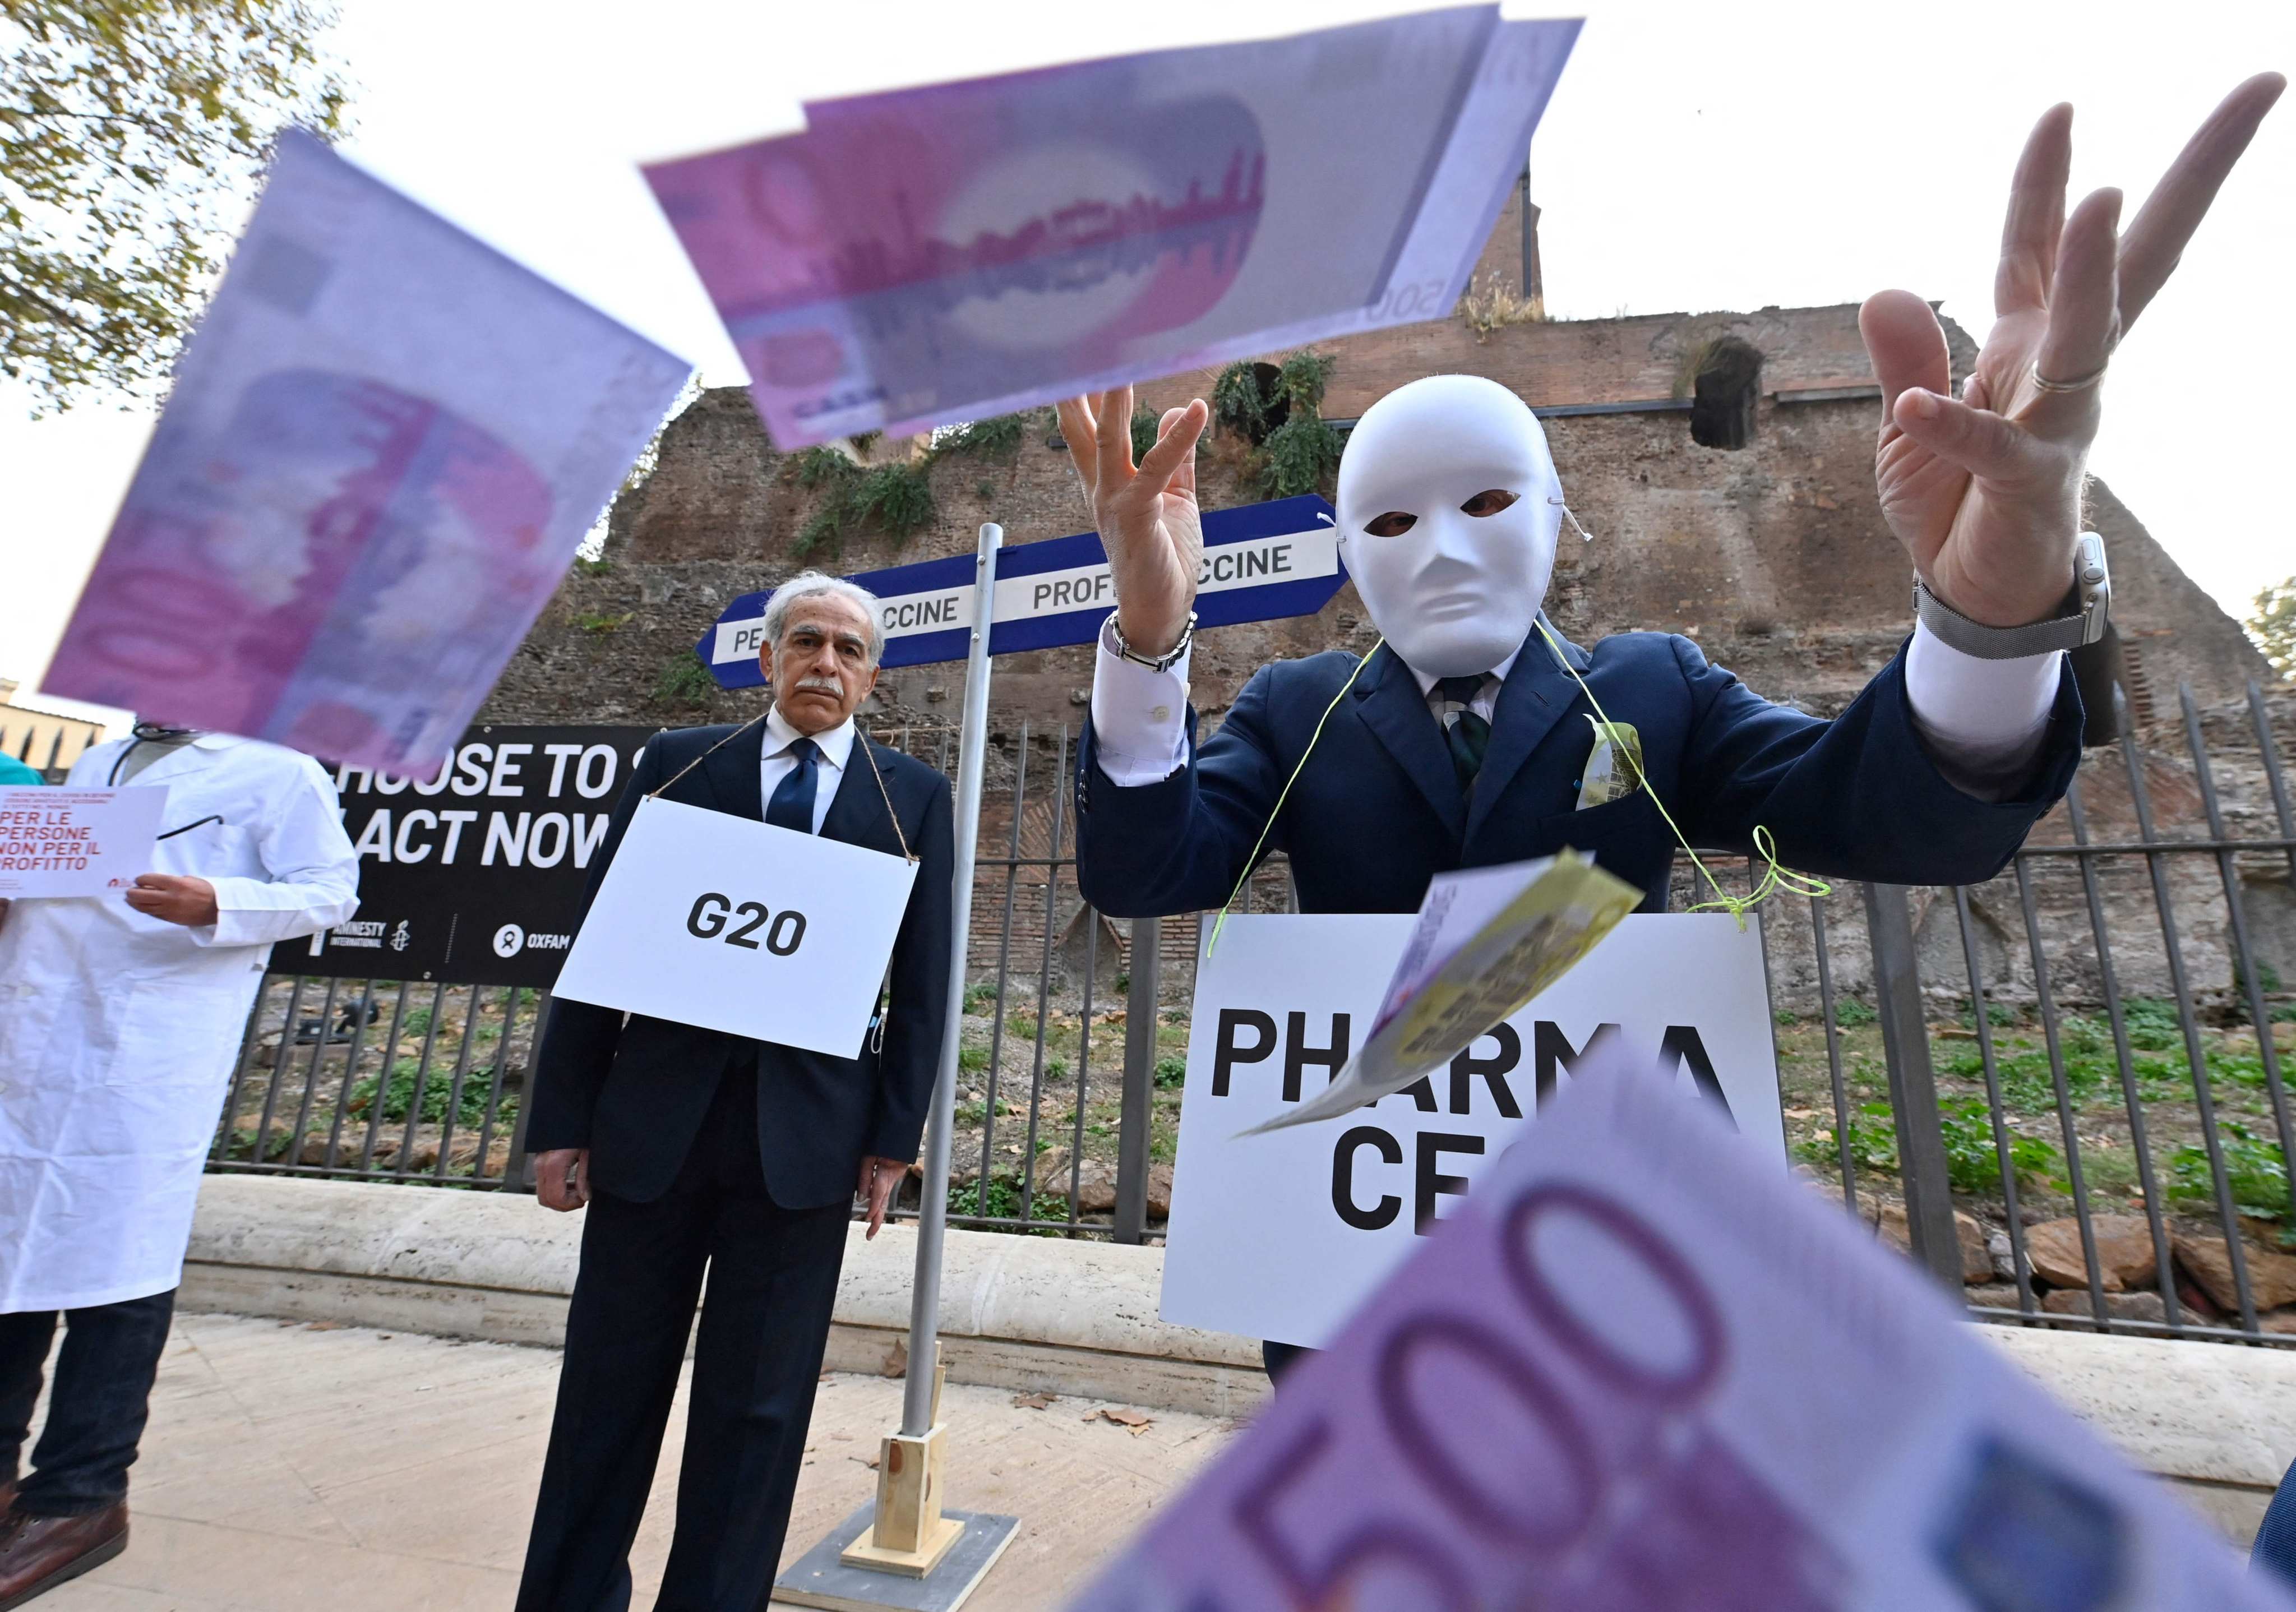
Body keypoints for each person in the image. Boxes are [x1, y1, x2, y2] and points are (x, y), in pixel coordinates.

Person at [1059, 79, 2284, 1384]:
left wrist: (1987, 610)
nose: (1446, 553)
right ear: (1348, 557)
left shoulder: (1653, 688)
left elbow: (1891, 815)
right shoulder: (1295, 711)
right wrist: (1145, 639)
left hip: (1609, 1289)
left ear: (1554, 513)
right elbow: (1145, 871)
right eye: (1393, 523)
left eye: (1485, 499)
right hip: (1354, 1299)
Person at [515, 572, 955, 1611]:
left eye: (851, 651)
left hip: (803, 1150)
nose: (827, 665)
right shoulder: (679, 766)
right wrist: (562, 1120)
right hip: (653, 1131)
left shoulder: (910, 799)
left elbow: (926, 984)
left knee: (757, 1414)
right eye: (808, 643)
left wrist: (894, 1139)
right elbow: (599, 947)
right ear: (768, 659)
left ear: (873, 680)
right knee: (605, 1396)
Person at [0, 724, 358, 1600]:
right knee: (13, 1256)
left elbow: (329, 892)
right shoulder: (96, 762)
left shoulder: (282, 771)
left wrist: (216, 903)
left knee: (119, 1270)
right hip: (38, 1039)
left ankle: (81, 1496)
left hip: (147, 1050)